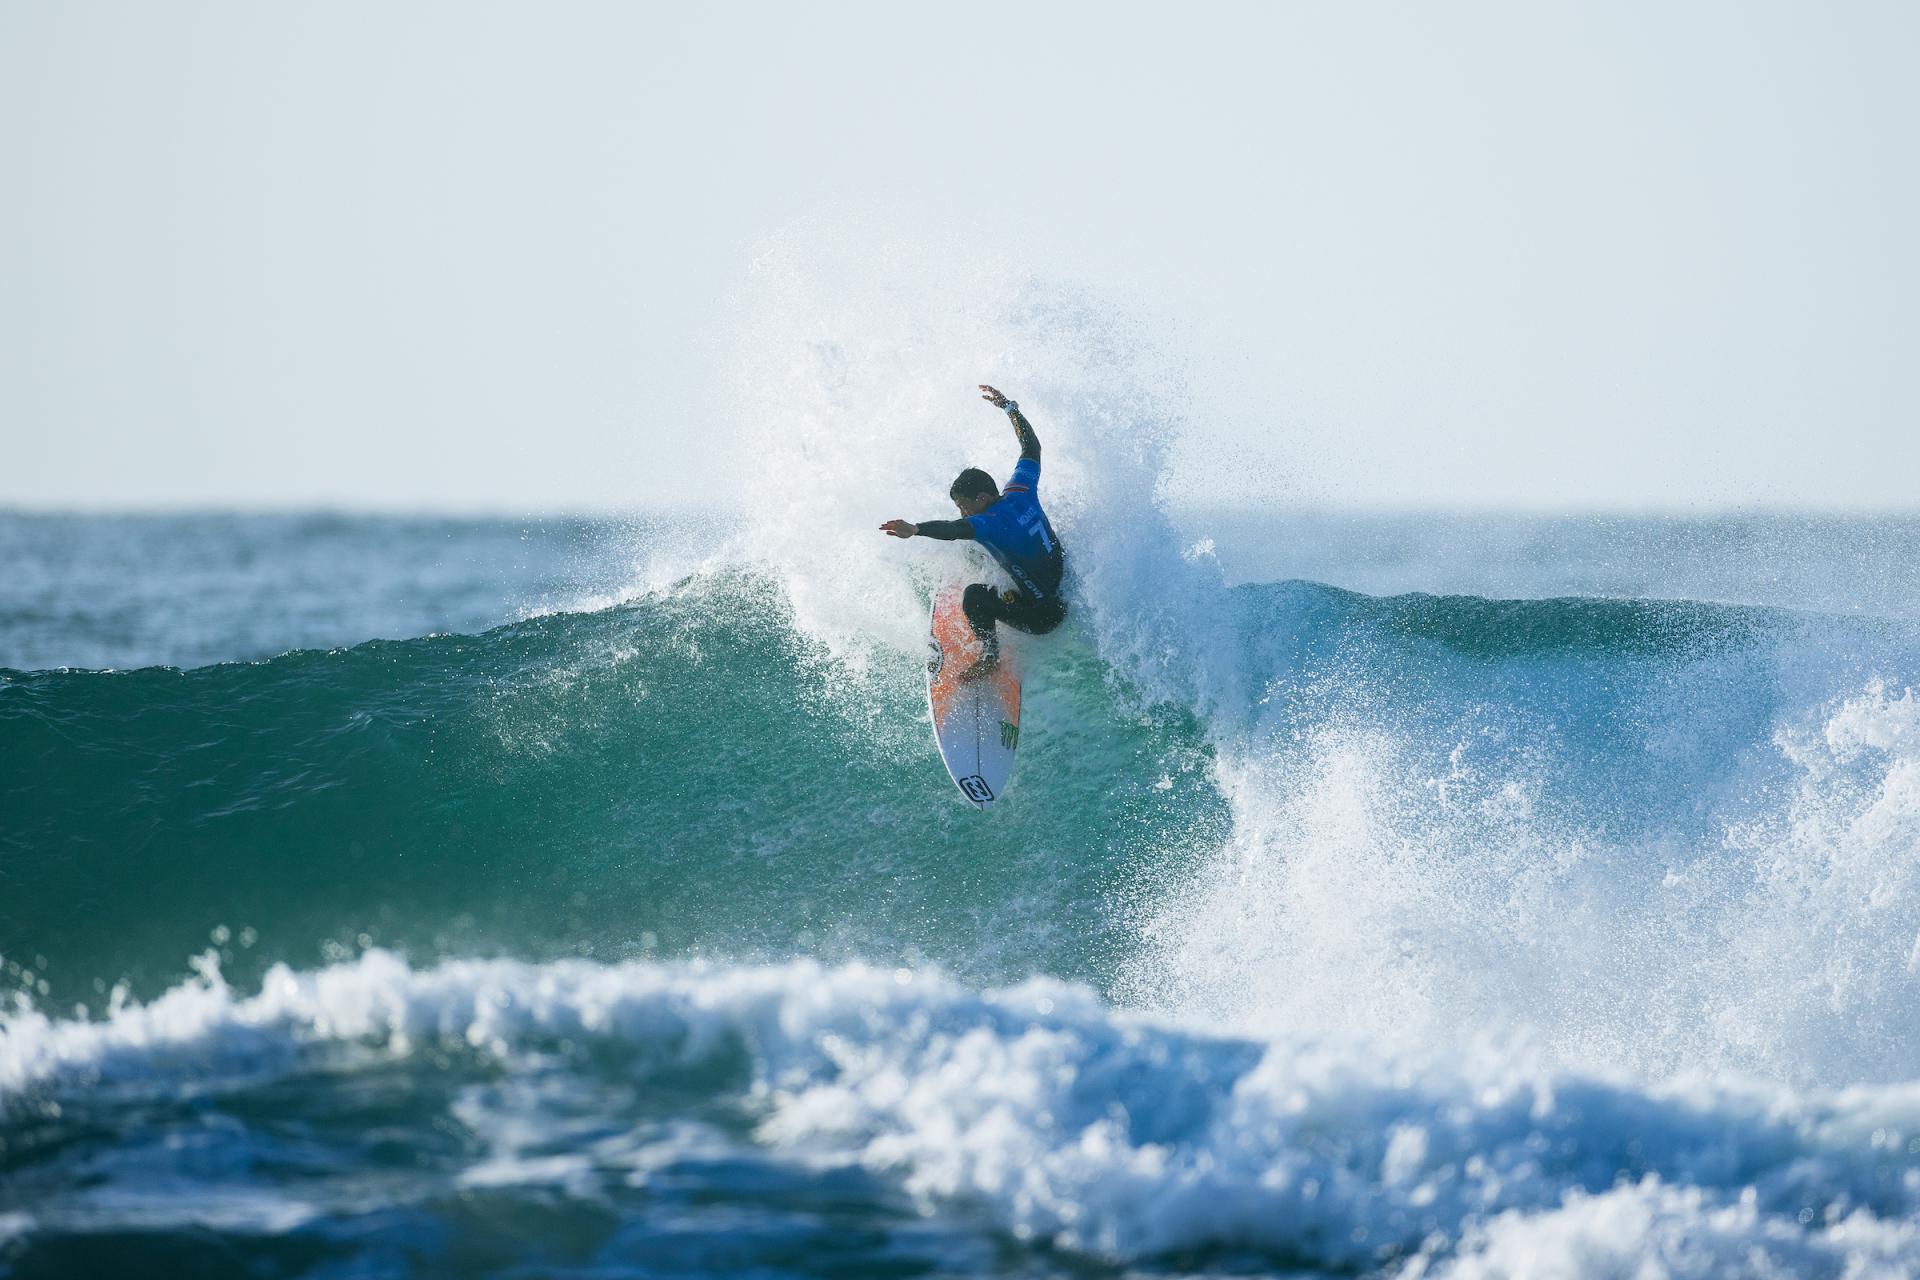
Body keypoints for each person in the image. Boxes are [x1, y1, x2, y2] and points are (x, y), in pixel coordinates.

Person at [880, 385, 1067, 680]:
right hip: (1063, 584)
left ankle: (989, 656)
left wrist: (916, 529)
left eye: (964, 506)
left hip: (1043, 616)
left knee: (974, 596)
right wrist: (1010, 409)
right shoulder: (1020, 489)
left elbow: (954, 530)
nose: (962, 513)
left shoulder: (989, 522)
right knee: (980, 551)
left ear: (982, 498)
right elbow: (1031, 448)